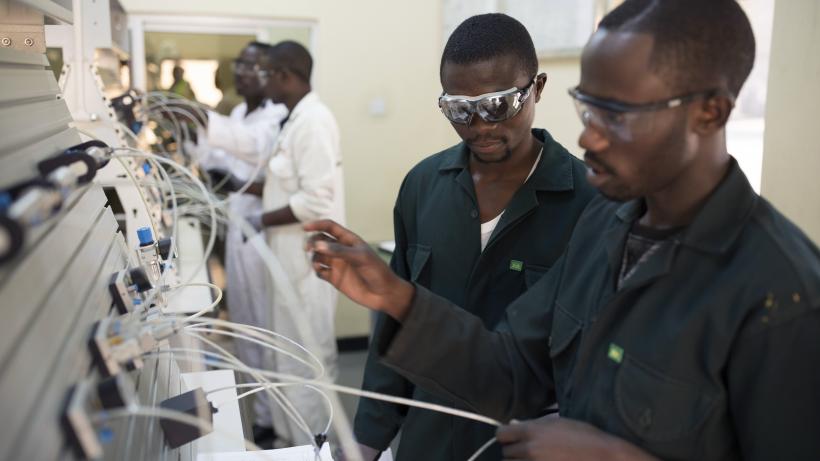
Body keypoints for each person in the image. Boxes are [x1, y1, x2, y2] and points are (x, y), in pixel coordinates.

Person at [305, 1, 820, 460]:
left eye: (616, 115)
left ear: (710, 112)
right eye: (588, 107)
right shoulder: (608, 224)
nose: (587, 136)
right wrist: (400, 300)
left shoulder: (781, 294)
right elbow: (514, 366)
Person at [352, 14, 595, 461]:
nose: (481, 125)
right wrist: (366, 442)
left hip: (525, 443)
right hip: (427, 438)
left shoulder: (590, 203)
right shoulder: (423, 187)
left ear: (537, 88)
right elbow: (394, 328)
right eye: (460, 110)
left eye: (498, 105)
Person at [245, 40, 345, 447]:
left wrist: (260, 219)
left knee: (309, 361)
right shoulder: (293, 120)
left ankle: (315, 448)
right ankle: (293, 447)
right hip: (288, 261)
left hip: (307, 265)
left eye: (266, 73)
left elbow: (315, 200)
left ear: (285, 76)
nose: (261, 80)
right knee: (287, 356)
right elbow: (284, 184)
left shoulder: (314, 122)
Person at [193, 41, 288, 447]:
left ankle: (275, 419)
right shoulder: (237, 111)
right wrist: (193, 140)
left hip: (261, 228)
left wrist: (199, 117)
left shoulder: (277, 115)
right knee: (245, 323)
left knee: (265, 328)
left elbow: (250, 146)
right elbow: (221, 156)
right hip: (236, 223)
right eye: (241, 64)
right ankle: (260, 412)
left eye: (253, 66)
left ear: (271, 73)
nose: (243, 72)